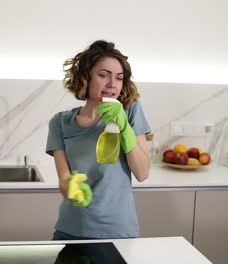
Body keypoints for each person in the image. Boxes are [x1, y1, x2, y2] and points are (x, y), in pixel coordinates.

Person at [46, 40, 151, 240]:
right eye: (103, 75)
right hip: (72, 229)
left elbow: (142, 172)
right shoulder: (60, 122)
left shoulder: (130, 111)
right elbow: (64, 179)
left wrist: (124, 128)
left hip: (118, 231)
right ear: (85, 77)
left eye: (119, 78)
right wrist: (72, 189)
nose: (112, 84)